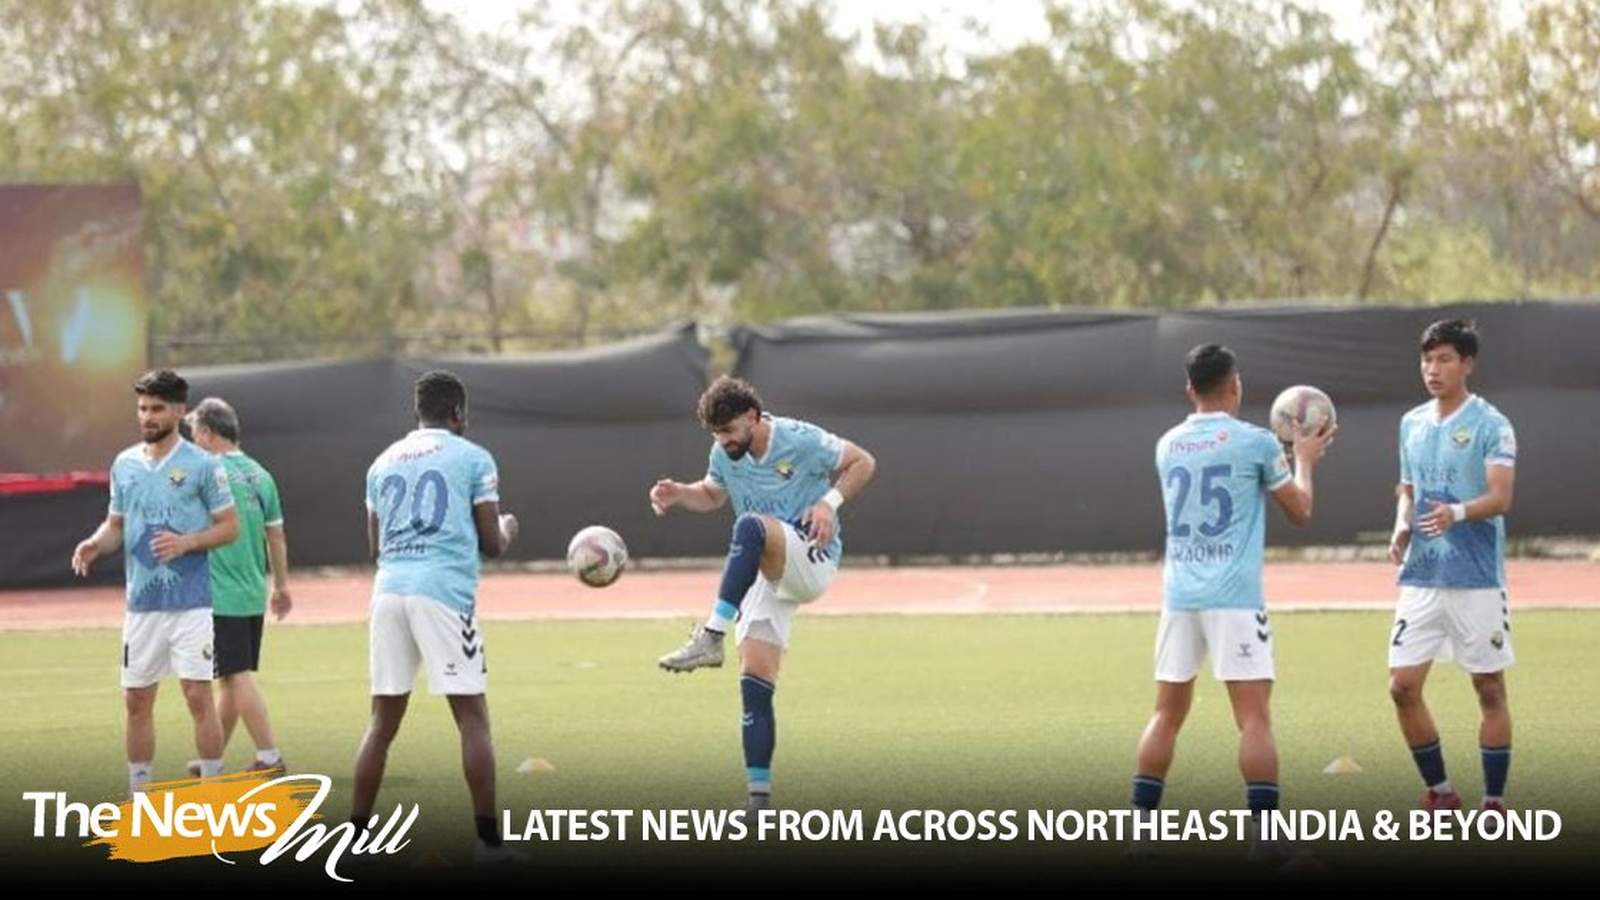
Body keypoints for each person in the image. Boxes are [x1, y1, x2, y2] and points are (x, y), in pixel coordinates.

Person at [1128, 344, 1333, 859]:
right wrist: (1303, 461)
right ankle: (1266, 841)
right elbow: (1301, 511)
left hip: (1179, 596)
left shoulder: (1167, 444)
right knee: (1254, 719)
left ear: (1189, 390)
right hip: (1235, 599)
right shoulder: (1257, 443)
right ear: (1236, 385)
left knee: (1166, 713)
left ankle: (1140, 831)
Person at [650, 375, 877, 811]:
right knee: (755, 683)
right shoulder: (723, 451)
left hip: (811, 555)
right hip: (768, 572)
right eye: (717, 434)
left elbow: (863, 461)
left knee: (749, 525)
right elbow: (713, 493)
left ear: (754, 416)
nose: (725, 441)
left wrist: (829, 504)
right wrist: (681, 494)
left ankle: (711, 636)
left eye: (731, 430)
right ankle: (759, 803)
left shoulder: (799, 439)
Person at [349, 370, 521, 862]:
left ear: (417, 412)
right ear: (459, 414)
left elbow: (373, 547)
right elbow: (491, 545)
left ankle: (355, 840)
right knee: (472, 719)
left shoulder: (381, 463)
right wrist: (506, 528)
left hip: (388, 592)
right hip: (443, 593)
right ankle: (488, 845)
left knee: (381, 723)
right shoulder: (473, 457)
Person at [71, 369, 240, 793]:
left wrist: (188, 543)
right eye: (142, 408)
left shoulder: (203, 466)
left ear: (179, 411)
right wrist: (95, 542)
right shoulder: (124, 464)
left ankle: (213, 795)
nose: (147, 416)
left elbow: (230, 527)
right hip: (142, 606)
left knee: (198, 697)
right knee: (135, 701)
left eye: (156, 408)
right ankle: (140, 797)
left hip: (192, 603)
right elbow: (115, 526)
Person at [1386, 319, 1517, 814]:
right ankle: (1440, 793)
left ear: (1467, 364)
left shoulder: (1491, 424)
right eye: (1426, 359)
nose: (1432, 369)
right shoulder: (1412, 423)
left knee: (1488, 687)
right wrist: (1402, 525)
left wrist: (1457, 513)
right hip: (1422, 575)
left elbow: (1501, 497)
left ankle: (1494, 800)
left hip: (1476, 578)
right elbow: (1408, 489)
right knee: (1402, 687)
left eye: (1443, 359)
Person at [181, 397, 292, 777]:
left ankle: (270, 755)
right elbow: (276, 535)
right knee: (230, 675)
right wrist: (281, 586)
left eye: (195, 432)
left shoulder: (204, 473)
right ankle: (214, 756)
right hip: (251, 591)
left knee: (236, 675)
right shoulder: (261, 474)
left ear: (209, 434)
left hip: (218, 593)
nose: (193, 440)